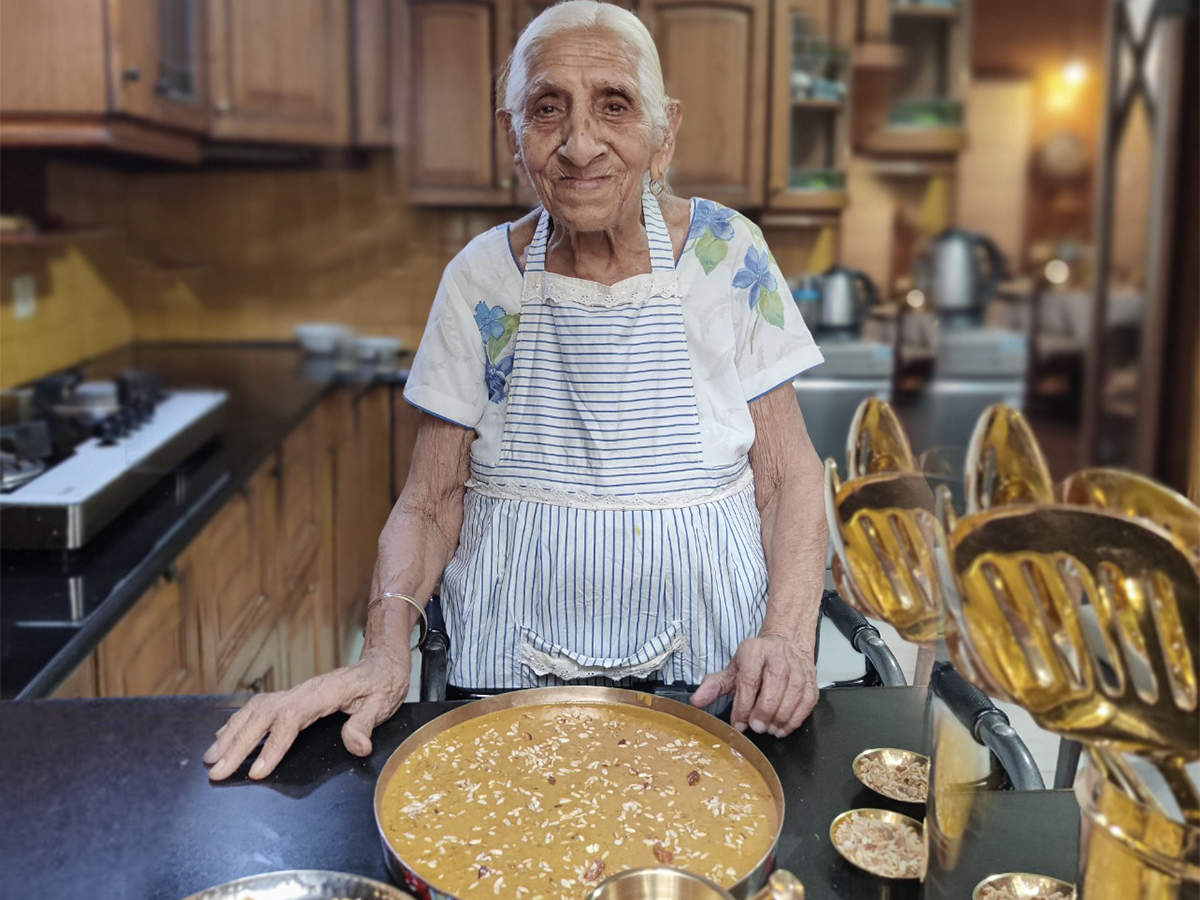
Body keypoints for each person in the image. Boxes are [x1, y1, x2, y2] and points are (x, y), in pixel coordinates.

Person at [205, 0, 827, 783]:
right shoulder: (479, 278)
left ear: (664, 132)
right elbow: (430, 503)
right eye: (546, 108)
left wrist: (789, 638)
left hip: (709, 674)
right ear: (512, 136)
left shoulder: (727, 252)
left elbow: (788, 476)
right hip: (508, 676)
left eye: (614, 105)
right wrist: (383, 651)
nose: (578, 144)